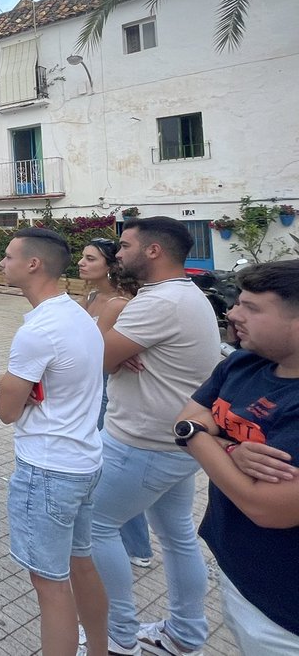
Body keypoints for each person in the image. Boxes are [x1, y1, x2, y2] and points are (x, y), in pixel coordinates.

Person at [94, 217, 220, 656]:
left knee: (96, 527)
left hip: (141, 445)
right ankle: (185, 634)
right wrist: (117, 346)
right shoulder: (185, 295)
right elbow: (112, 355)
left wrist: (110, 323)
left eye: (125, 245)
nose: (118, 253)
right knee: (177, 536)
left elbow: (96, 358)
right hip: (174, 444)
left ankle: (118, 636)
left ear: (153, 251)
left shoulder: (159, 302)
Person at [173, 260, 299, 654]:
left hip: (285, 611)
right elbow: (187, 417)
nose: (233, 313)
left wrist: (201, 435)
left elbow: (265, 506)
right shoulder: (244, 362)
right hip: (239, 571)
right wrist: (231, 449)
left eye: (252, 307)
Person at [0, 228, 108, 656]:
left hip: (47, 468)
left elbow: (7, 411)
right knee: (81, 563)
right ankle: (100, 648)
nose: (2, 264)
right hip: (83, 460)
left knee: (49, 584)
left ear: (33, 264)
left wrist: (4, 383)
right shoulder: (78, 315)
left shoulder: (38, 331)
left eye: (7, 256)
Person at [78, 238, 154, 570]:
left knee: (109, 469)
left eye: (89, 258)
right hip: (87, 386)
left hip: (108, 390)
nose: (81, 262)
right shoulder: (92, 296)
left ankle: (137, 545)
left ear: (110, 265)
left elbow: (107, 355)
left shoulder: (122, 303)